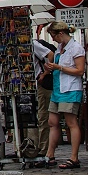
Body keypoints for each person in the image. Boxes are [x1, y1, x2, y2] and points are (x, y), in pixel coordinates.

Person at [43, 21, 85, 170]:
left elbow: (80, 71)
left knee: (71, 122)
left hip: (70, 89)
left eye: (53, 36)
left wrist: (59, 67)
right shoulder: (60, 49)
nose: (53, 39)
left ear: (61, 34)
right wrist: (50, 68)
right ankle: (50, 155)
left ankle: (74, 157)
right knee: (52, 121)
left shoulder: (76, 48)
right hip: (58, 89)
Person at [31, 30, 56, 166]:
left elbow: (50, 54)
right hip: (36, 86)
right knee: (42, 117)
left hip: (43, 85)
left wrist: (45, 73)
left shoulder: (33, 44)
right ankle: (40, 149)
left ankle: (45, 150)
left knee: (44, 117)